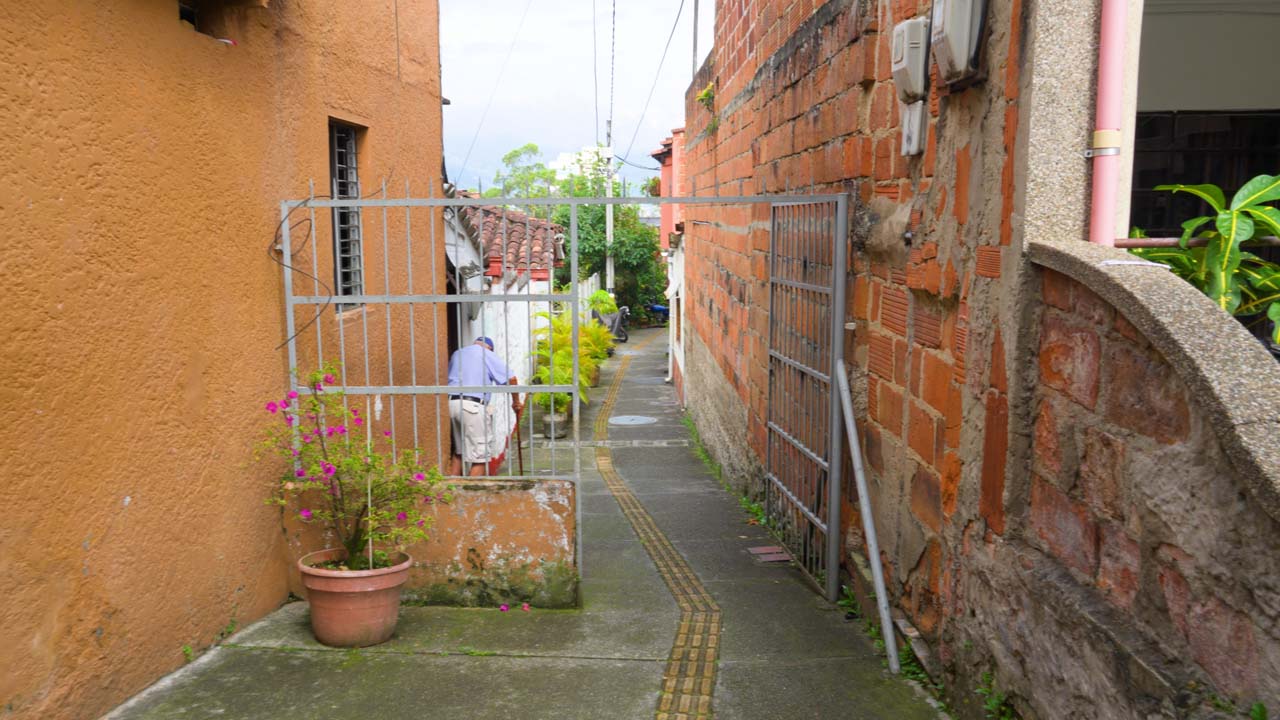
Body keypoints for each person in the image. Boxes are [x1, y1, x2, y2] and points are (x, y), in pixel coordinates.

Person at [446, 337, 522, 476]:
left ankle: (450, 494)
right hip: (472, 407)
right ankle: (469, 494)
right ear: (490, 348)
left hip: (451, 404)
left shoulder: (458, 353)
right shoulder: (486, 354)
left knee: (459, 453)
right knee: (480, 458)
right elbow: (511, 379)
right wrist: (516, 401)